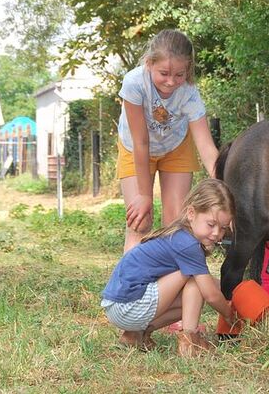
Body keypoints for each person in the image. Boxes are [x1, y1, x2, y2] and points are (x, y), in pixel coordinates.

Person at [100, 178, 239, 357]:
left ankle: (136, 335)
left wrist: (233, 291)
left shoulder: (180, 234)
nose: (217, 234)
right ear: (191, 213)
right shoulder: (188, 245)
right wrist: (230, 316)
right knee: (196, 284)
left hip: (117, 307)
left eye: (223, 228)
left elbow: (211, 287)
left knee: (192, 299)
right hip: (128, 307)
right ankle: (190, 344)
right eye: (211, 225)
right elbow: (211, 295)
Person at [117, 29, 220, 252]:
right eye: (163, 73)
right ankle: (131, 285)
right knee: (140, 221)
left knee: (176, 226)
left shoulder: (189, 92)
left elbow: (206, 146)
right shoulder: (134, 84)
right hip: (135, 147)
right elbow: (141, 141)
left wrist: (224, 188)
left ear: (188, 70)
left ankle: (171, 285)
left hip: (176, 147)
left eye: (180, 75)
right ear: (149, 63)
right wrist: (145, 195)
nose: (171, 82)